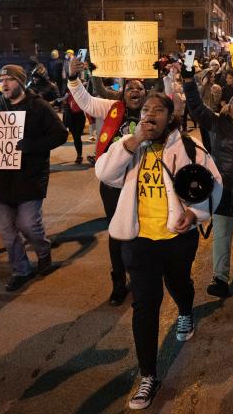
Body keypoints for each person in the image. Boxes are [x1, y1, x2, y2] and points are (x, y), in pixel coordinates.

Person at [95, 92, 221, 410]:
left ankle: (185, 312)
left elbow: (214, 185)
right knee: (145, 305)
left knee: (178, 284)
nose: (150, 114)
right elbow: (105, 173)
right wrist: (133, 140)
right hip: (139, 240)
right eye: (145, 109)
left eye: (158, 110)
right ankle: (148, 375)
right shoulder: (130, 145)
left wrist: (194, 214)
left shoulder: (189, 148)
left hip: (177, 239)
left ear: (170, 116)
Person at [69, 60, 147, 305]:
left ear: (147, 93)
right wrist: (73, 77)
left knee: (142, 232)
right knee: (117, 233)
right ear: (123, 93)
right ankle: (118, 282)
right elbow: (86, 101)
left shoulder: (155, 112)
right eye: (130, 88)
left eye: (140, 88)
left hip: (143, 184)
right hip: (114, 185)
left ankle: (140, 277)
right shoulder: (113, 108)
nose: (135, 91)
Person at [0, 64, 68, 292]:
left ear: (20, 82)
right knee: (7, 232)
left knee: (28, 225)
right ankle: (20, 270)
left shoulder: (38, 107)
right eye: (1, 80)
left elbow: (60, 134)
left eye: (9, 80)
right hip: (2, 179)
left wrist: (32, 147)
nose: (4, 84)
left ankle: (43, 251)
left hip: (30, 177)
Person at [183, 71, 233, 298]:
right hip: (223, 190)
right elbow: (197, 107)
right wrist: (189, 82)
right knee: (222, 234)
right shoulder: (216, 123)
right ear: (228, 107)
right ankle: (220, 278)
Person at [57, 85, 87, 165]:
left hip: (79, 116)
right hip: (70, 116)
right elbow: (58, 101)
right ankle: (79, 154)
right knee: (75, 136)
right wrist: (64, 99)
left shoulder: (80, 93)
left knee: (77, 136)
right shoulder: (66, 93)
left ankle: (79, 155)